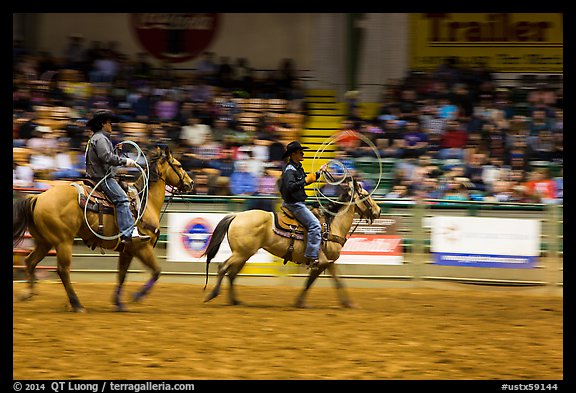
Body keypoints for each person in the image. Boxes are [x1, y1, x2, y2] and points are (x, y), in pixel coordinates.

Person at [85, 110, 150, 244]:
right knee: (123, 199)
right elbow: (106, 157)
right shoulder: (101, 138)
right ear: (103, 124)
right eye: (109, 123)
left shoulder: (97, 138)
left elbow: (104, 157)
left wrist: (115, 151)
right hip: (103, 178)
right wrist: (124, 161)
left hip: (99, 175)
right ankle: (128, 233)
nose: (111, 125)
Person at [279, 141, 326, 267]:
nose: (303, 153)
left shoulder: (297, 167)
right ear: (293, 154)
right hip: (294, 204)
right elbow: (290, 187)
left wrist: (318, 174)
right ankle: (311, 256)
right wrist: (306, 180)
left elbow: (304, 180)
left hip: (298, 202)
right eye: (300, 152)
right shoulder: (290, 170)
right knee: (315, 225)